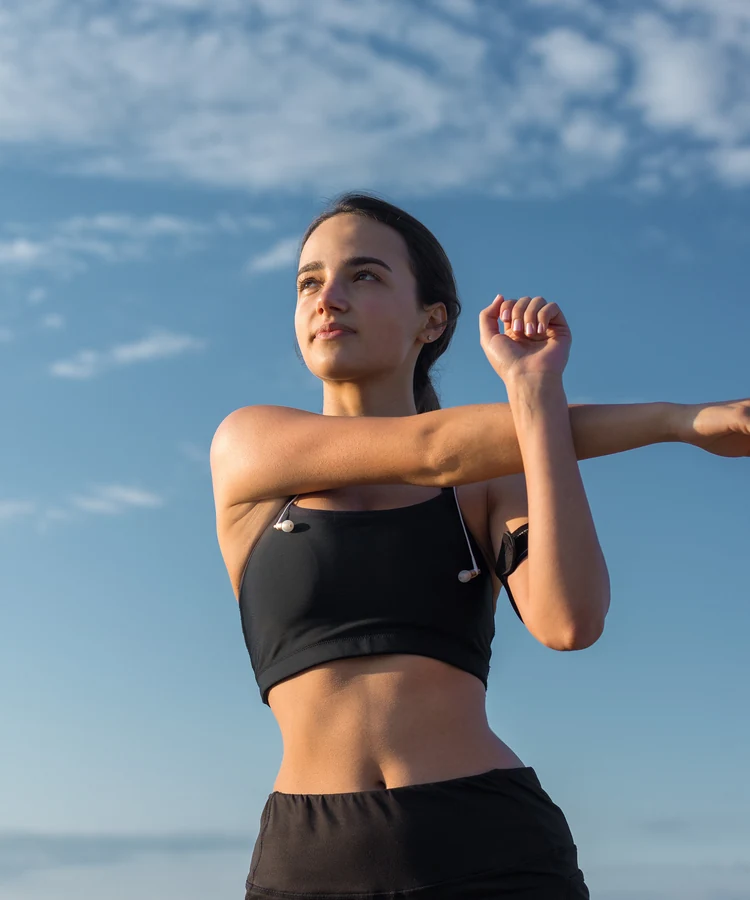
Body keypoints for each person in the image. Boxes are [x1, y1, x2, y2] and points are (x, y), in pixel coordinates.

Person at [210, 192, 749, 899]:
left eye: (364, 276)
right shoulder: (250, 446)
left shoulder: (490, 481)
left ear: (432, 320)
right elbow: (433, 450)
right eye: (309, 281)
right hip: (310, 863)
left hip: (488, 846)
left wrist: (536, 397)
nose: (329, 297)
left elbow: (569, 621)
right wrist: (681, 420)